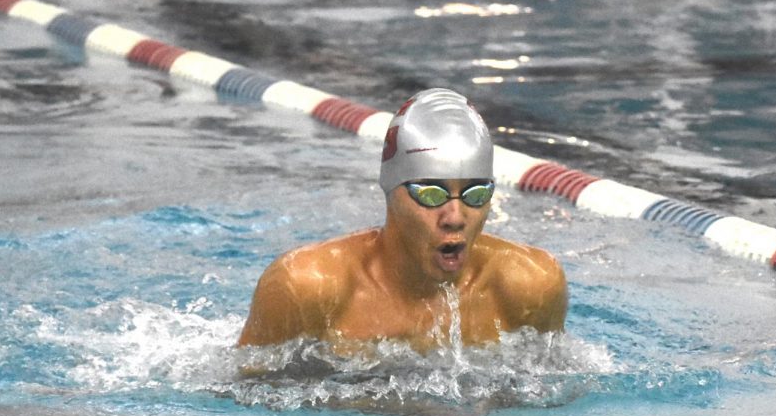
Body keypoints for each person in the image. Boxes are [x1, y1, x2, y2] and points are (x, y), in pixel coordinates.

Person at [237, 88, 567, 353]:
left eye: (475, 193)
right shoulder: (307, 286)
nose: (455, 217)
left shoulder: (530, 286)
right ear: (391, 189)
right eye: (432, 194)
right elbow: (243, 409)